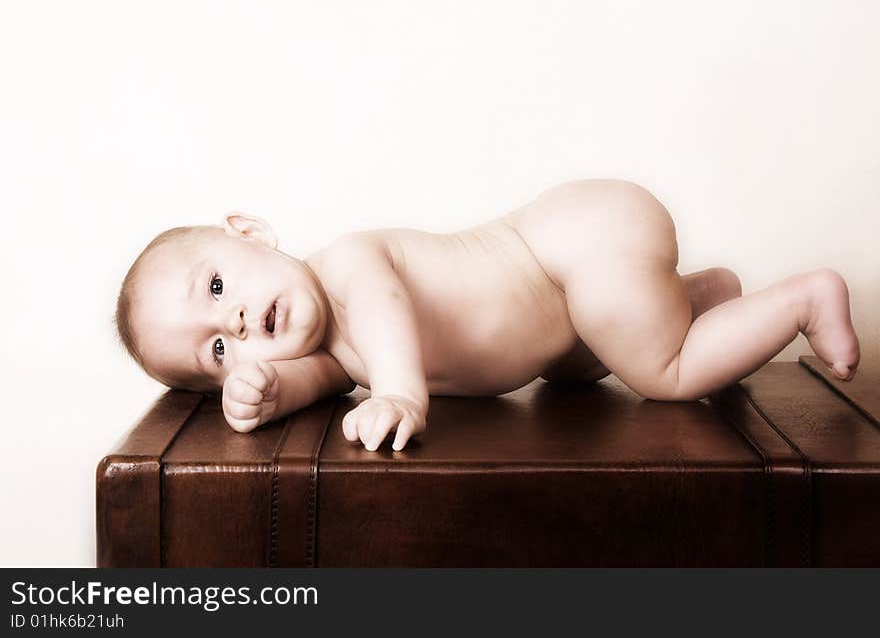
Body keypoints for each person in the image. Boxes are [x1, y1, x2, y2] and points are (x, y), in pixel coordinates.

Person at [115, 179, 860, 451]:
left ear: (250, 233)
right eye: (216, 351)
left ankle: (801, 299)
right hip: (568, 316)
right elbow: (314, 382)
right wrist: (264, 396)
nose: (236, 323)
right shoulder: (330, 359)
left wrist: (402, 394)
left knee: (665, 376)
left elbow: (386, 313)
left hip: (574, 242)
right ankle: (701, 298)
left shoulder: (347, 263)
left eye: (216, 290)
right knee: (580, 371)